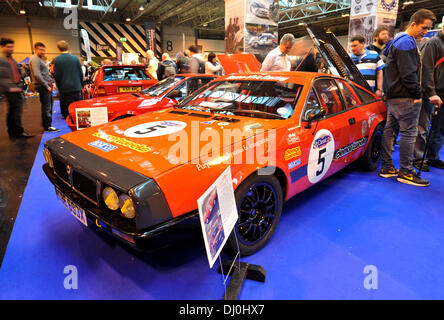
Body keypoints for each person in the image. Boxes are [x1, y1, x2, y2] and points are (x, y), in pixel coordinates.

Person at [379, 9, 436, 187]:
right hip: (405, 97)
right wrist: (418, 95)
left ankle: (387, 167)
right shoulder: (407, 43)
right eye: (424, 28)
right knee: (408, 134)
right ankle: (406, 172)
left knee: (390, 131)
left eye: (428, 29)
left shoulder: (396, 41)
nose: (425, 32)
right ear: (413, 24)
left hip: (394, 96)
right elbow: (408, 74)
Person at [414, 20, 444, 170]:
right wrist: (431, 92)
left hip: (441, 92)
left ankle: (432, 156)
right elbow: (426, 70)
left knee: (440, 128)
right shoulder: (433, 43)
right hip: (431, 93)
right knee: (422, 127)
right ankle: (418, 158)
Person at [0, 38, 34, 138]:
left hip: (16, 87)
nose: (11, 49)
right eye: (9, 47)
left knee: (13, 111)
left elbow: (17, 71)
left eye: (12, 46)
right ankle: (19, 131)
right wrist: (9, 88)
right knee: (16, 111)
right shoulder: (2, 60)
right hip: (10, 89)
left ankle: (12, 131)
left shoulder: (11, 59)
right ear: (2, 47)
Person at [29, 42, 59, 132]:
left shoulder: (38, 59)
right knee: (47, 106)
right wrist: (46, 86)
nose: (43, 52)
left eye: (44, 50)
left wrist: (51, 83)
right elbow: (37, 75)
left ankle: (47, 124)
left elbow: (43, 74)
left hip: (45, 85)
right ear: (35, 49)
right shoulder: (35, 59)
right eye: (40, 50)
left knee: (48, 105)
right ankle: (47, 126)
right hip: (43, 86)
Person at [52, 40, 84, 120]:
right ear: (68, 47)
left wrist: (59, 87)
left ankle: (69, 118)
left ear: (58, 48)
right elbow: (80, 73)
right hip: (77, 87)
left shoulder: (57, 60)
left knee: (68, 106)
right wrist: (81, 85)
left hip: (65, 87)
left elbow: (57, 75)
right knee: (78, 105)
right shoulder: (75, 58)